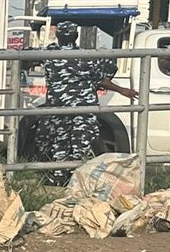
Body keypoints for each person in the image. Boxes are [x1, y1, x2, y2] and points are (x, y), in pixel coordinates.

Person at [37, 24, 137, 181]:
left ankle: (58, 179)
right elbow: (105, 76)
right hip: (84, 106)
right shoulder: (88, 56)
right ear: (76, 36)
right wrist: (121, 90)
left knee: (59, 142)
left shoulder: (49, 54)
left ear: (58, 36)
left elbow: (27, 58)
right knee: (81, 144)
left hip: (59, 106)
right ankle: (76, 179)